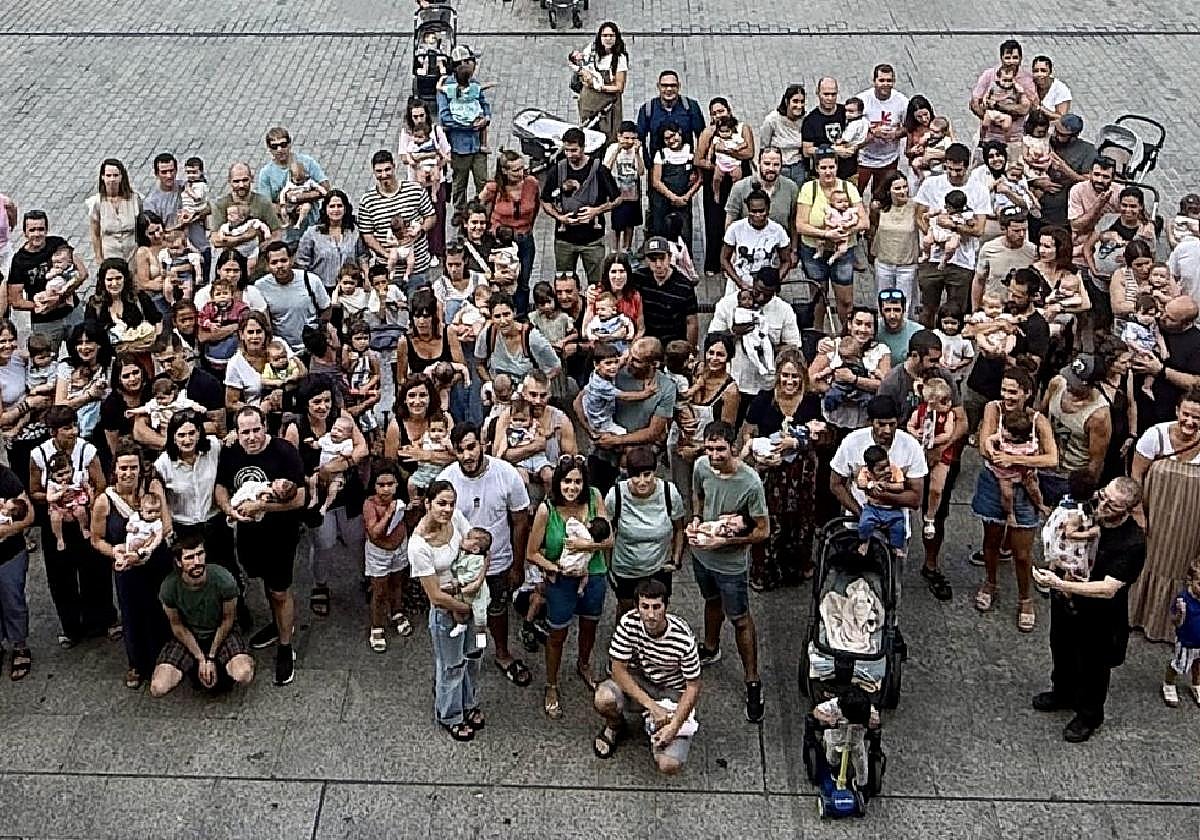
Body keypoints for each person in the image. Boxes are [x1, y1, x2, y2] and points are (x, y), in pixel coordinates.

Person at [1032, 477, 1146, 742]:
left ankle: (1089, 715)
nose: (1103, 504)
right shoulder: (1090, 509)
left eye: (1112, 504)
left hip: (1100, 615)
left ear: (1127, 510)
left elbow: (1108, 588)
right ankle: (1062, 692)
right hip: (1067, 602)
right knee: (1060, 647)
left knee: (1093, 665)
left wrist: (1058, 583)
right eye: (1103, 496)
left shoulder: (1132, 542)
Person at [215, 406, 306, 686]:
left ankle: (285, 645)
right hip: (248, 534)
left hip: (280, 534)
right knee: (265, 583)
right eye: (245, 432)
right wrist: (229, 509)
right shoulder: (231, 452)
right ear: (237, 432)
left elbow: (301, 497)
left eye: (256, 430)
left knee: (280, 591)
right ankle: (276, 624)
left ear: (265, 427)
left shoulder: (284, 452)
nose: (252, 437)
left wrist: (263, 505)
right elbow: (220, 486)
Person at [438, 422, 533, 688]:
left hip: (498, 564)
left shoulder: (506, 473)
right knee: (464, 615)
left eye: (471, 447)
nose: (467, 455)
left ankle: (502, 654)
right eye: (460, 450)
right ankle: (472, 651)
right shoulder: (446, 480)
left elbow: (520, 521)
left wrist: (517, 564)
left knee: (495, 612)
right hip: (460, 570)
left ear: (482, 444)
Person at [687, 420, 768, 723]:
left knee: (740, 620)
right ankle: (710, 648)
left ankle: (752, 680)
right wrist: (696, 519)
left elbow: (762, 531)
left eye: (720, 449)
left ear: (733, 447)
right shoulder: (701, 467)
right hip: (702, 554)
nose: (714, 455)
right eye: (709, 448)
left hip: (732, 564)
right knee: (711, 601)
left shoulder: (750, 483)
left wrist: (729, 539)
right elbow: (698, 496)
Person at [971, 366, 1059, 631]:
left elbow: (1052, 458)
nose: (1007, 396)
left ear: (1027, 393)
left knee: (1022, 553)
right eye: (1004, 390)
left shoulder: (1038, 421)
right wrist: (993, 451)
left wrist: (1014, 459)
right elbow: (986, 443)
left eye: (1013, 391)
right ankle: (990, 581)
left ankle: (1025, 598)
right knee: (991, 540)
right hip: (994, 482)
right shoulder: (993, 409)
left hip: (1023, 486)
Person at [525, 454, 613, 719]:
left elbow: (609, 541)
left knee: (590, 624)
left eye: (577, 482)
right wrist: (554, 569)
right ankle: (551, 684)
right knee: (557, 635)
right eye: (566, 482)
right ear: (558, 484)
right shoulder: (546, 510)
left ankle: (584, 664)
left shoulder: (595, 497)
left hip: (595, 574)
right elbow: (532, 552)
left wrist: (587, 547)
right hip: (560, 580)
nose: (572, 488)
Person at [592, 578, 701, 773]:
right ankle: (616, 725)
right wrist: (652, 706)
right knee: (603, 698)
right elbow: (618, 669)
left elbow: (693, 686)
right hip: (641, 681)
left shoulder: (683, 639)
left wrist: (674, 725)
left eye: (656, 607)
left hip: (672, 692)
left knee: (669, 765)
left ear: (666, 606)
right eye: (645, 607)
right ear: (637, 607)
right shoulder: (628, 623)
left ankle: (660, 736)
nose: (651, 614)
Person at [282, 376, 368, 618]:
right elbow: (292, 467)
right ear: (305, 402)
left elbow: (363, 447)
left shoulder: (342, 417)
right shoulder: (296, 428)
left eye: (327, 401)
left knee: (357, 538)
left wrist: (341, 464)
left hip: (347, 489)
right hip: (317, 495)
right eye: (316, 401)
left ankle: (367, 577)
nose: (323, 407)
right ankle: (320, 585)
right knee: (324, 543)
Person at [90, 441, 172, 689]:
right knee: (132, 613)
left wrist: (146, 550)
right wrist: (114, 551)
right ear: (115, 469)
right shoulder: (104, 500)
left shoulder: (152, 488)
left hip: (156, 559)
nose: (128, 473)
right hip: (126, 566)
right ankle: (138, 664)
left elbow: (166, 526)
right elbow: (96, 539)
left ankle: (166, 658)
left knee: (161, 608)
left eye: (133, 467)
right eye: (123, 468)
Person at [28, 406, 113, 647]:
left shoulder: (87, 451)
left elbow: (101, 484)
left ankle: (101, 621)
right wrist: (55, 499)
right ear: (53, 431)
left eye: (74, 426)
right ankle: (72, 628)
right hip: (56, 524)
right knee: (60, 577)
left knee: (95, 571)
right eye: (67, 428)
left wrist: (85, 505)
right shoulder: (38, 455)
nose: (73, 432)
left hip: (84, 519)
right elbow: (34, 491)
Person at [742, 348, 824, 590]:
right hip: (770, 470)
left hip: (802, 471)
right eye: (785, 376)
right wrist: (758, 455)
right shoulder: (764, 398)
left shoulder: (811, 401)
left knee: (801, 519)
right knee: (769, 518)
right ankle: (765, 571)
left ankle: (795, 568)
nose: (790, 381)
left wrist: (798, 441)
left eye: (795, 376)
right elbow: (748, 431)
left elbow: (822, 435)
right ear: (778, 375)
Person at [1129, 386, 1200, 641]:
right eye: (1186, 414)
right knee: (1148, 562)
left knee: (1179, 567)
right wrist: (1138, 513)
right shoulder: (1155, 435)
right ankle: (1138, 616)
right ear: (1177, 411)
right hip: (1153, 513)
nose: (1190, 421)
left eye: (1197, 418)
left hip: (1190, 522)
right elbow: (1136, 474)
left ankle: (1172, 624)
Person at [148, 534, 255, 697]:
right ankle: (193, 670)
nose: (197, 562)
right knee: (158, 687)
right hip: (189, 634)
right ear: (179, 562)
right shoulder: (169, 587)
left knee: (244, 673)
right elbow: (177, 627)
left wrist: (210, 657)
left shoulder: (223, 579)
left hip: (220, 631)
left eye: (200, 554)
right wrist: (200, 658)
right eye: (189, 557)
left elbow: (228, 620)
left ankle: (224, 668)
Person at [829, 395, 926, 559]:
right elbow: (835, 484)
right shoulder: (852, 442)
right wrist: (860, 514)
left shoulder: (911, 446)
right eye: (881, 424)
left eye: (892, 424)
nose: (887, 430)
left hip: (895, 526)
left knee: (892, 578)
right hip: (856, 525)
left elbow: (916, 499)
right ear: (870, 422)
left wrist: (880, 495)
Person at [913, 143, 990, 326]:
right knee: (927, 309)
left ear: (967, 166)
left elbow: (978, 229)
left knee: (957, 311)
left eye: (959, 170)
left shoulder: (979, 190)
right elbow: (919, 216)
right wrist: (935, 235)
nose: (954, 174)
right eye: (950, 169)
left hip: (962, 261)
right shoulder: (931, 184)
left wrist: (953, 228)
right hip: (933, 259)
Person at [540, 128, 620, 286]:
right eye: (567, 150)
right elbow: (545, 200)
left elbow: (617, 199)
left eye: (574, 150)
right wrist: (559, 217)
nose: (570, 155)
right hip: (564, 240)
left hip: (593, 240)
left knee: (597, 284)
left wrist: (597, 210)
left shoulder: (599, 170)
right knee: (564, 282)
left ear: (583, 148)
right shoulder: (558, 169)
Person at [796, 149, 867, 324]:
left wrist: (846, 231)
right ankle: (818, 335)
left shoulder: (848, 188)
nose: (828, 172)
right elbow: (800, 225)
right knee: (818, 299)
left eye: (832, 167)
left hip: (843, 251)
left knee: (846, 300)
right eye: (824, 167)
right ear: (817, 169)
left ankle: (846, 334)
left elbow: (864, 222)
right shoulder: (809, 189)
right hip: (814, 249)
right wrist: (826, 234)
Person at [7, 210, 88, 351]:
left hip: (72, 312)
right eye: (32, 230)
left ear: (46, 229)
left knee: (84, 353)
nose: (37, 234)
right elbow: (16, 301)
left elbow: (82, 273)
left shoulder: (58, 244)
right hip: (44, 322)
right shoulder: (19, 261)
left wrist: (62, 296)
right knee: (45, 361)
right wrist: (42, 305)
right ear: (25, 232)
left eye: (41, 229)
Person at [357, 149, 438, 286]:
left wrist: (421, 230)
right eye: (379, 171)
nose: (384, 175)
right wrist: (386, 254)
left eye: (387, 169)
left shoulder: (415, 190)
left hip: (417, 267)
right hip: (388, 271)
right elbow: (367, 235)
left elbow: (430, 216)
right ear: (373, 172)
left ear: (394, 167)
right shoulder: (367, 200)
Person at [255, 243, 331, 353]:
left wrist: (320, 332)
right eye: (274, 262)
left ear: (291, 260)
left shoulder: (311, 280)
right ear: (267, 265)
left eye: (283, 260)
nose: (279, 266)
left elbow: (326, 308)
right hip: (282, 350)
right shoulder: (260, 287)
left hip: (312, 348)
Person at [0, 460, 35, 680]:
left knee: (12, 599)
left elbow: (29, 515)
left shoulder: (5, 477)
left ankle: (19, 645)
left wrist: (5, 531)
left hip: (8, 554)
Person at [633, 236, 700, 348]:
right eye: (653, 260)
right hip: (647, 342)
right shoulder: (639, 278)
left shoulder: (685, 286)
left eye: (662, 258)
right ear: (647, 260)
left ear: (669, 257)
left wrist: (690, 349)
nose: (658, 264)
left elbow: (691, 322)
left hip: (673, 344)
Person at [870, 171, 921, 316]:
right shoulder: (878, 208)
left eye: (905, 187)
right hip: (884, 262)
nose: (903, 191)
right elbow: (873, 228)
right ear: (888, 190)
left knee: (905, 304)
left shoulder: (915, 206)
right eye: (897, 188)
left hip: (907, 264)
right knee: (883, 302)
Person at [855, 64, 909, 195]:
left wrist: (896, 134)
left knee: (881, 198)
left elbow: (909, 126)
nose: (885, 84)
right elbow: (852, 127)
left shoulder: (902, 101)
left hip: (889, 159)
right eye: (881, 80)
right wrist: (872, 132)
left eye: (889, 81)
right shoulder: (862, 100)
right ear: (874, 81)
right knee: (855, 194)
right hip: (863, 159)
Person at [635, 70, 706, 166]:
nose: (669, 89)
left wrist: (698, 163)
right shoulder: (648, 109)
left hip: (686, 165)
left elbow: (702, 136)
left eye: (673, 85)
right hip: (658, 167)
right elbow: (640, 139)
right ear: (658, 86)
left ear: (679, 86)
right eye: (664, 85)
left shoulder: (691, 106)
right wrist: (648, 164)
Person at [573, 22, 629, 143]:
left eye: (611, 36)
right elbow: (582, 68)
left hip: (608, 106)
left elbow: (619, 87)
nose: (608, 39)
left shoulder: (620, 58)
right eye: (605, 35)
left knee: (608, 136)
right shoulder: (591, 50)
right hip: (589, 103)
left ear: (616, 37)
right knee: (588, 134)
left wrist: (600, 87)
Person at [1161, 558, 1200, 707]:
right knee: (1178, 664)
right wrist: (1181, 613)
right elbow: (1175, 622)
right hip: (1186, 641)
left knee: (1198, 663)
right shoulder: (1183, 599)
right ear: (1190, 580)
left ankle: (1196, 684)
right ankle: (1169, 683)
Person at [86, 158, 141, 264]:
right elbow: (95, 233)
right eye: (108, 176)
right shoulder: (97, 203)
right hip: (110, 256)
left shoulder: (134, 199)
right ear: (102, 177)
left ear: (121, 177)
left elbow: (141, 227)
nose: (112, 180)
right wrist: (99, 257)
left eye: (115, 175)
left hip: (132, 255)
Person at [758, 85, 807, 185]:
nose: (799, 105)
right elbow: (764, 146)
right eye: (795, 101)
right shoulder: (772, 120)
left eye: (802, 102)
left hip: (798, 166)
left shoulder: (805, 120)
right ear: (786, 101)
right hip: (778, 166)